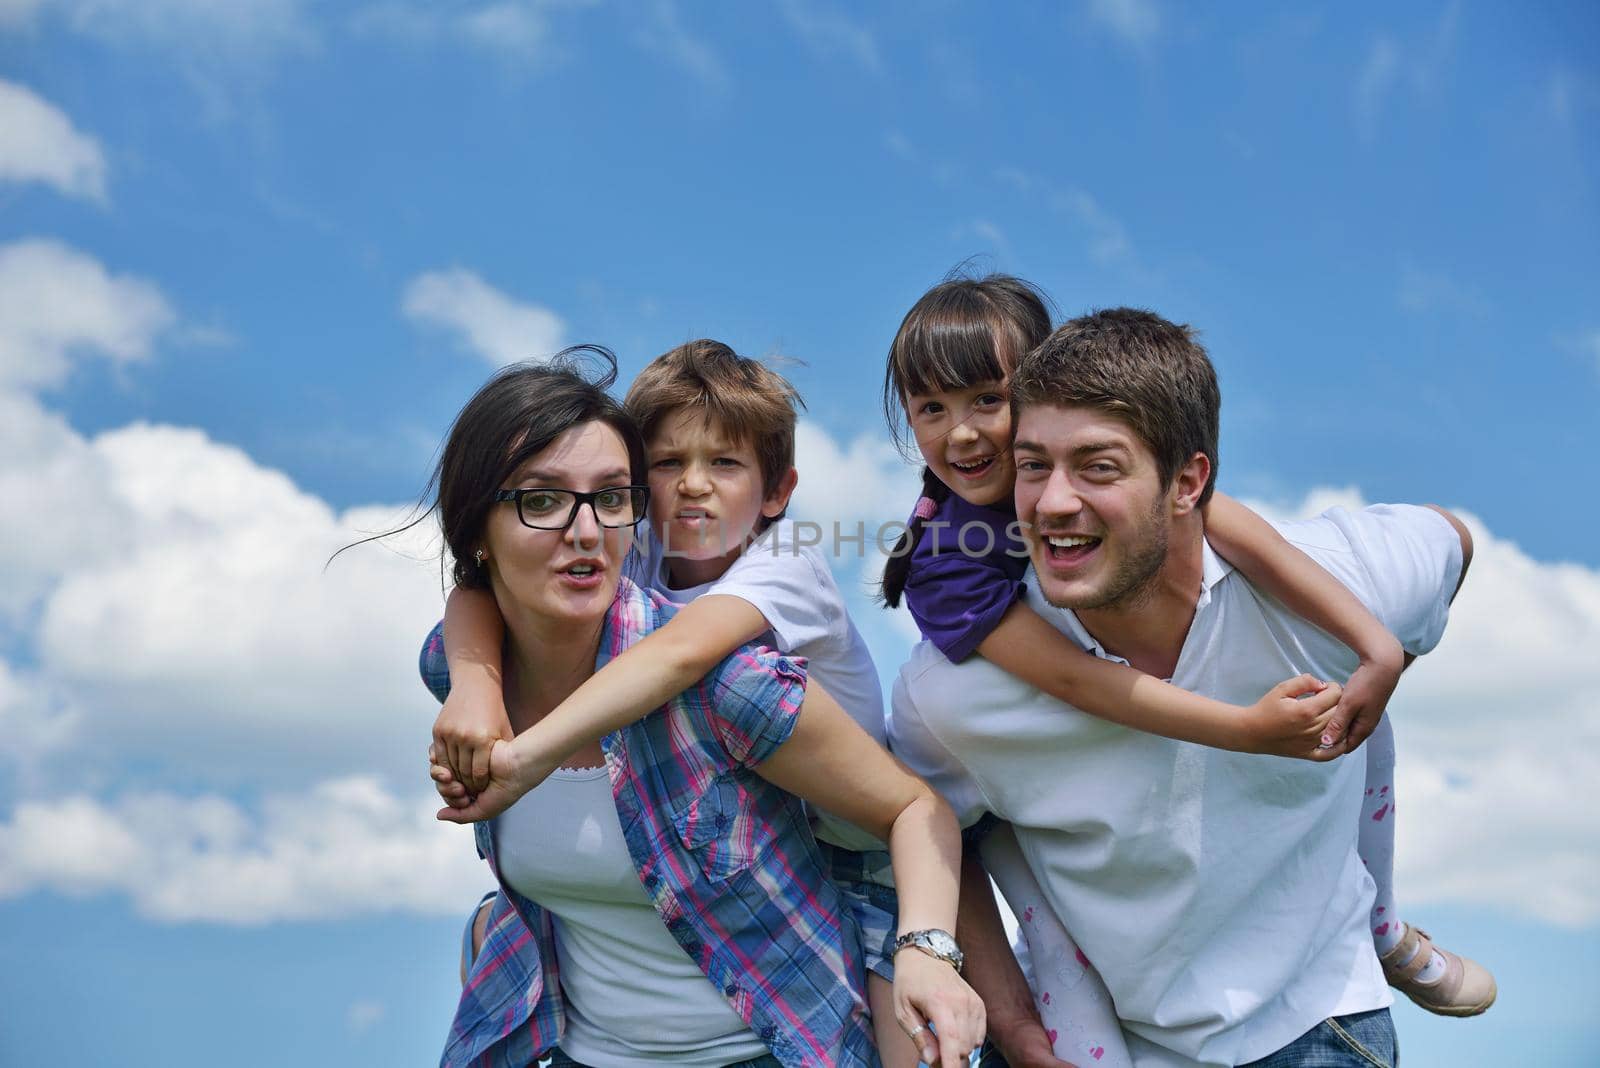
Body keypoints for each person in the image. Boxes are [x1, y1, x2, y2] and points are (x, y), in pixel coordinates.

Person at [878, 277, 1493, 1064]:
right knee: (1037, 917)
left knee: (1369, 723)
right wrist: (1014, 1021)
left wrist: (1380, 650)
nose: (963, 435)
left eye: (986, 402)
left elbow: (1444, 541)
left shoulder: (1317, 568)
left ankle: (1384, 930)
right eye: (930, 409)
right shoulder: (952, 613)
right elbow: (1069, 687)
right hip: (1140, 1015)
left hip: (1321, 1015)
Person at [417, 348, 985, 1068]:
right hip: (580, 1048)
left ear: (777, 490)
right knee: (494, 925)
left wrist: (527, 759)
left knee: (956, 1018)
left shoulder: (743, 644)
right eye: (541, 499)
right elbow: (473, 595)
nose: (586, 530)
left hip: (856, 884)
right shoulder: (469, 664)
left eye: (607, 498)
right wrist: (473, 685)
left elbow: (678, 657)